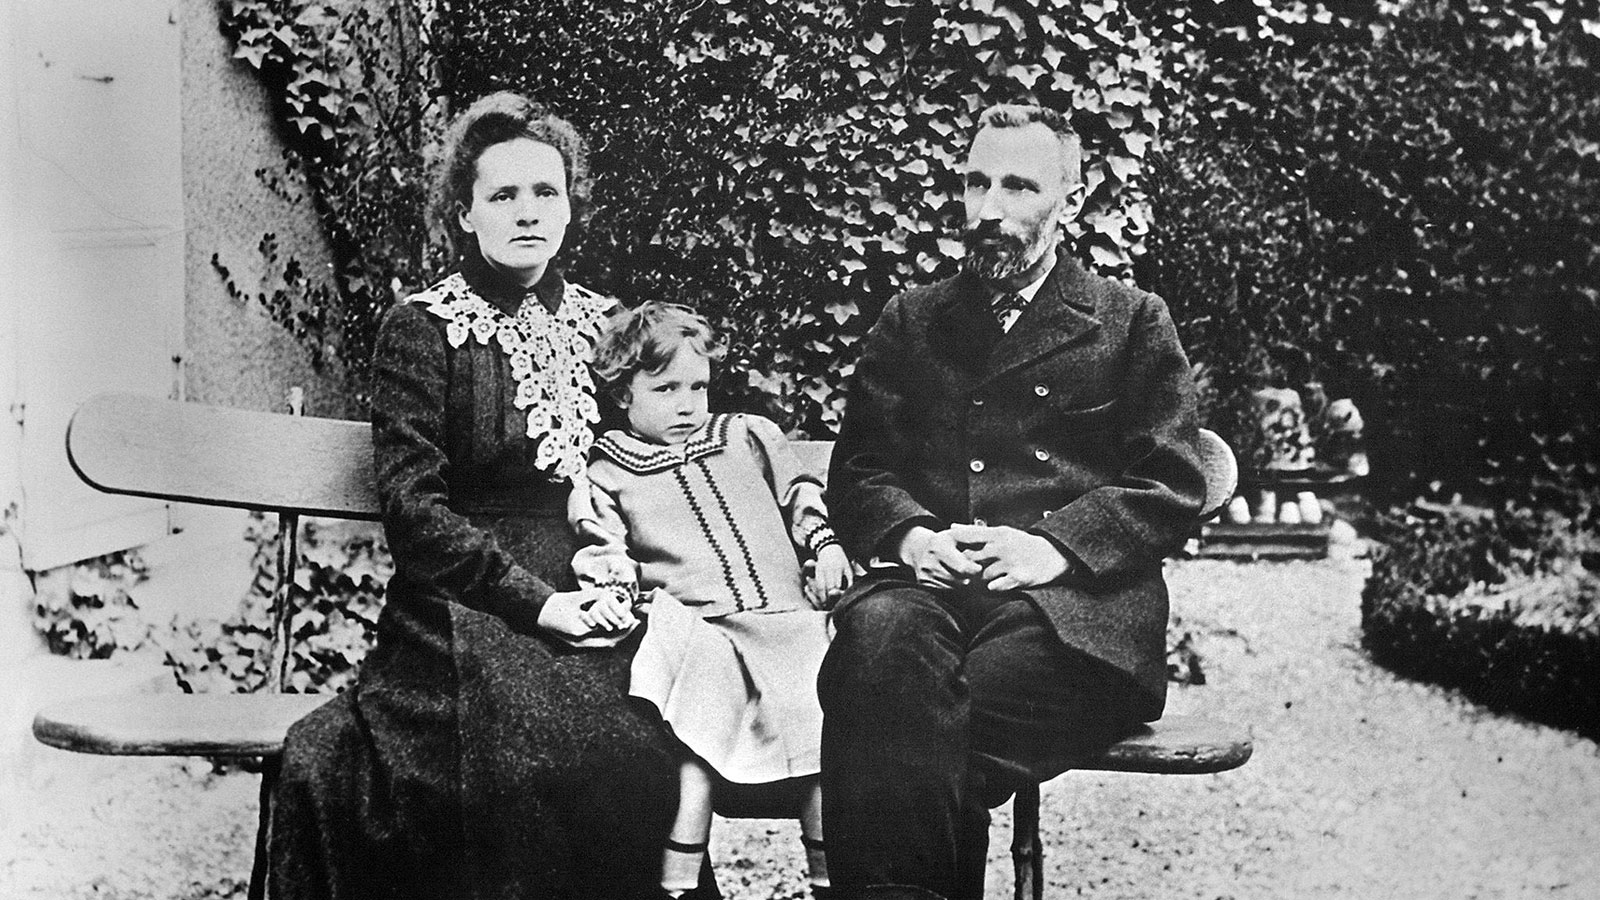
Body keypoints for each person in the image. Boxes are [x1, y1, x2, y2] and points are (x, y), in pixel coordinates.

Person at [264, 92, 714, 900]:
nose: (528, 211)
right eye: (503, 195)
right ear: (464, 214)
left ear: (572, 206)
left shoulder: (611, 327)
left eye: (547, 192)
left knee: (628, 744)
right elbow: (414, 509)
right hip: (462, 602)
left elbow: (666, 462)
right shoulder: (422, 327)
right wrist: (539, 605)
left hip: (604, 588)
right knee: (507, 751)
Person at [819, 103, 1208, 900]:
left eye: (1018, 186)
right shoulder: (914, 319)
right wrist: (917, 538)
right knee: (881, 650)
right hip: (928, 592)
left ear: (1071, 193)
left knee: (902, 730)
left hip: (1074, 615)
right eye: (975, 183)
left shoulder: (1129, 321)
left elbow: (1172, 483)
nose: (988, 210)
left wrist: (1053, 546)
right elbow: (858, 470)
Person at [568, 301, 852, 899]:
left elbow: (801, 492)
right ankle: (676, 885)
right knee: (692, 754)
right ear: (623, 393)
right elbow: (604, 543)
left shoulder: (745, 435)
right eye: (666, 387)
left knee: (825, 742)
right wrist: (614, 590)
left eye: (698, 385)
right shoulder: (609, 472)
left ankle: (832, 882)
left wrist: (823, 546)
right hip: (704, 631)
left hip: (786, 618)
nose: (687, 402)